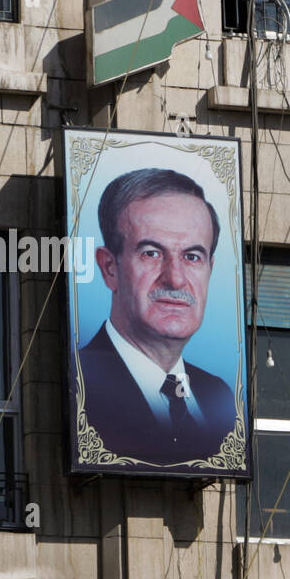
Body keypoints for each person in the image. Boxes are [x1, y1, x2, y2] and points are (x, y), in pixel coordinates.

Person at [77, 168, 238, 465]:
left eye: (192, 257)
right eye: (151, 253)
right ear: (109, 267)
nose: (175, 279)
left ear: (210, 269)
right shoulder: (80, 385)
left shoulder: (219, 396)